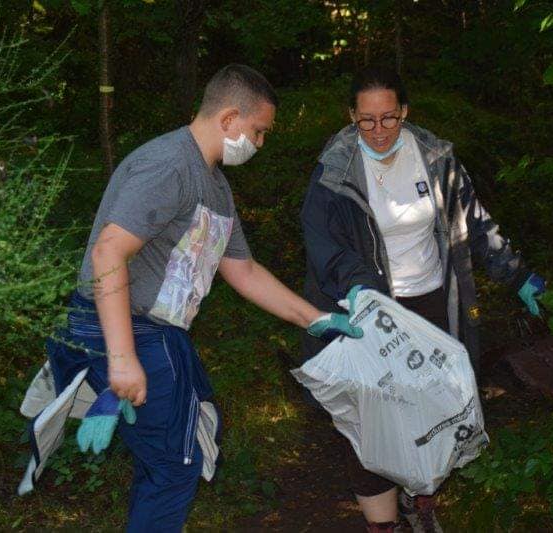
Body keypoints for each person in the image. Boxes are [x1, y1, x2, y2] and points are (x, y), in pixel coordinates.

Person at [38, 64, 361, 532]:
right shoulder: (169, 165)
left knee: (174, 455)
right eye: (258, 131)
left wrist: (315, 319)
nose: (260, 144)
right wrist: (123, 358)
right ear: (229, 118)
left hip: (160, 334)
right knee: (175, 467)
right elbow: (108, 250)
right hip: (130, 328)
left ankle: (111, 402)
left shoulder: (216, 187)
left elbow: (243, 270)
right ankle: (108, 390)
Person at [300, 66, 545, 532]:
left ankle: (422, 503)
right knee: (373, 421)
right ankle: (383, 525)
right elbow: (322, 244)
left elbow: (473, 224)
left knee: (434, 408)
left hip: (433, 305)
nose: (378, 131)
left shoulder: (435, 157)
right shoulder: (335, 172)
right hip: (369, 311)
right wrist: (354, 288)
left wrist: (518, 275)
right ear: (351, 116)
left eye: (388, 119)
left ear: (404, 113)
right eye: (366, 121)